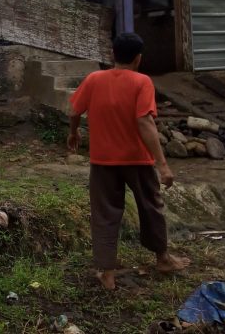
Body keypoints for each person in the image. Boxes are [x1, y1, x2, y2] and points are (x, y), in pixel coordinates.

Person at [68, 33, 190, 290]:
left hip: (102, 162)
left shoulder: (93, 79)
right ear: (138, 58)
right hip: (138, 161)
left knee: (104, 215)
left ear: (113, 54)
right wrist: (163, 164)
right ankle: (163, 259)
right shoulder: (141, 82)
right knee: (151, 208)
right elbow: (144, 121)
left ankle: (107, 274)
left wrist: (73, 131)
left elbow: (74, 110)